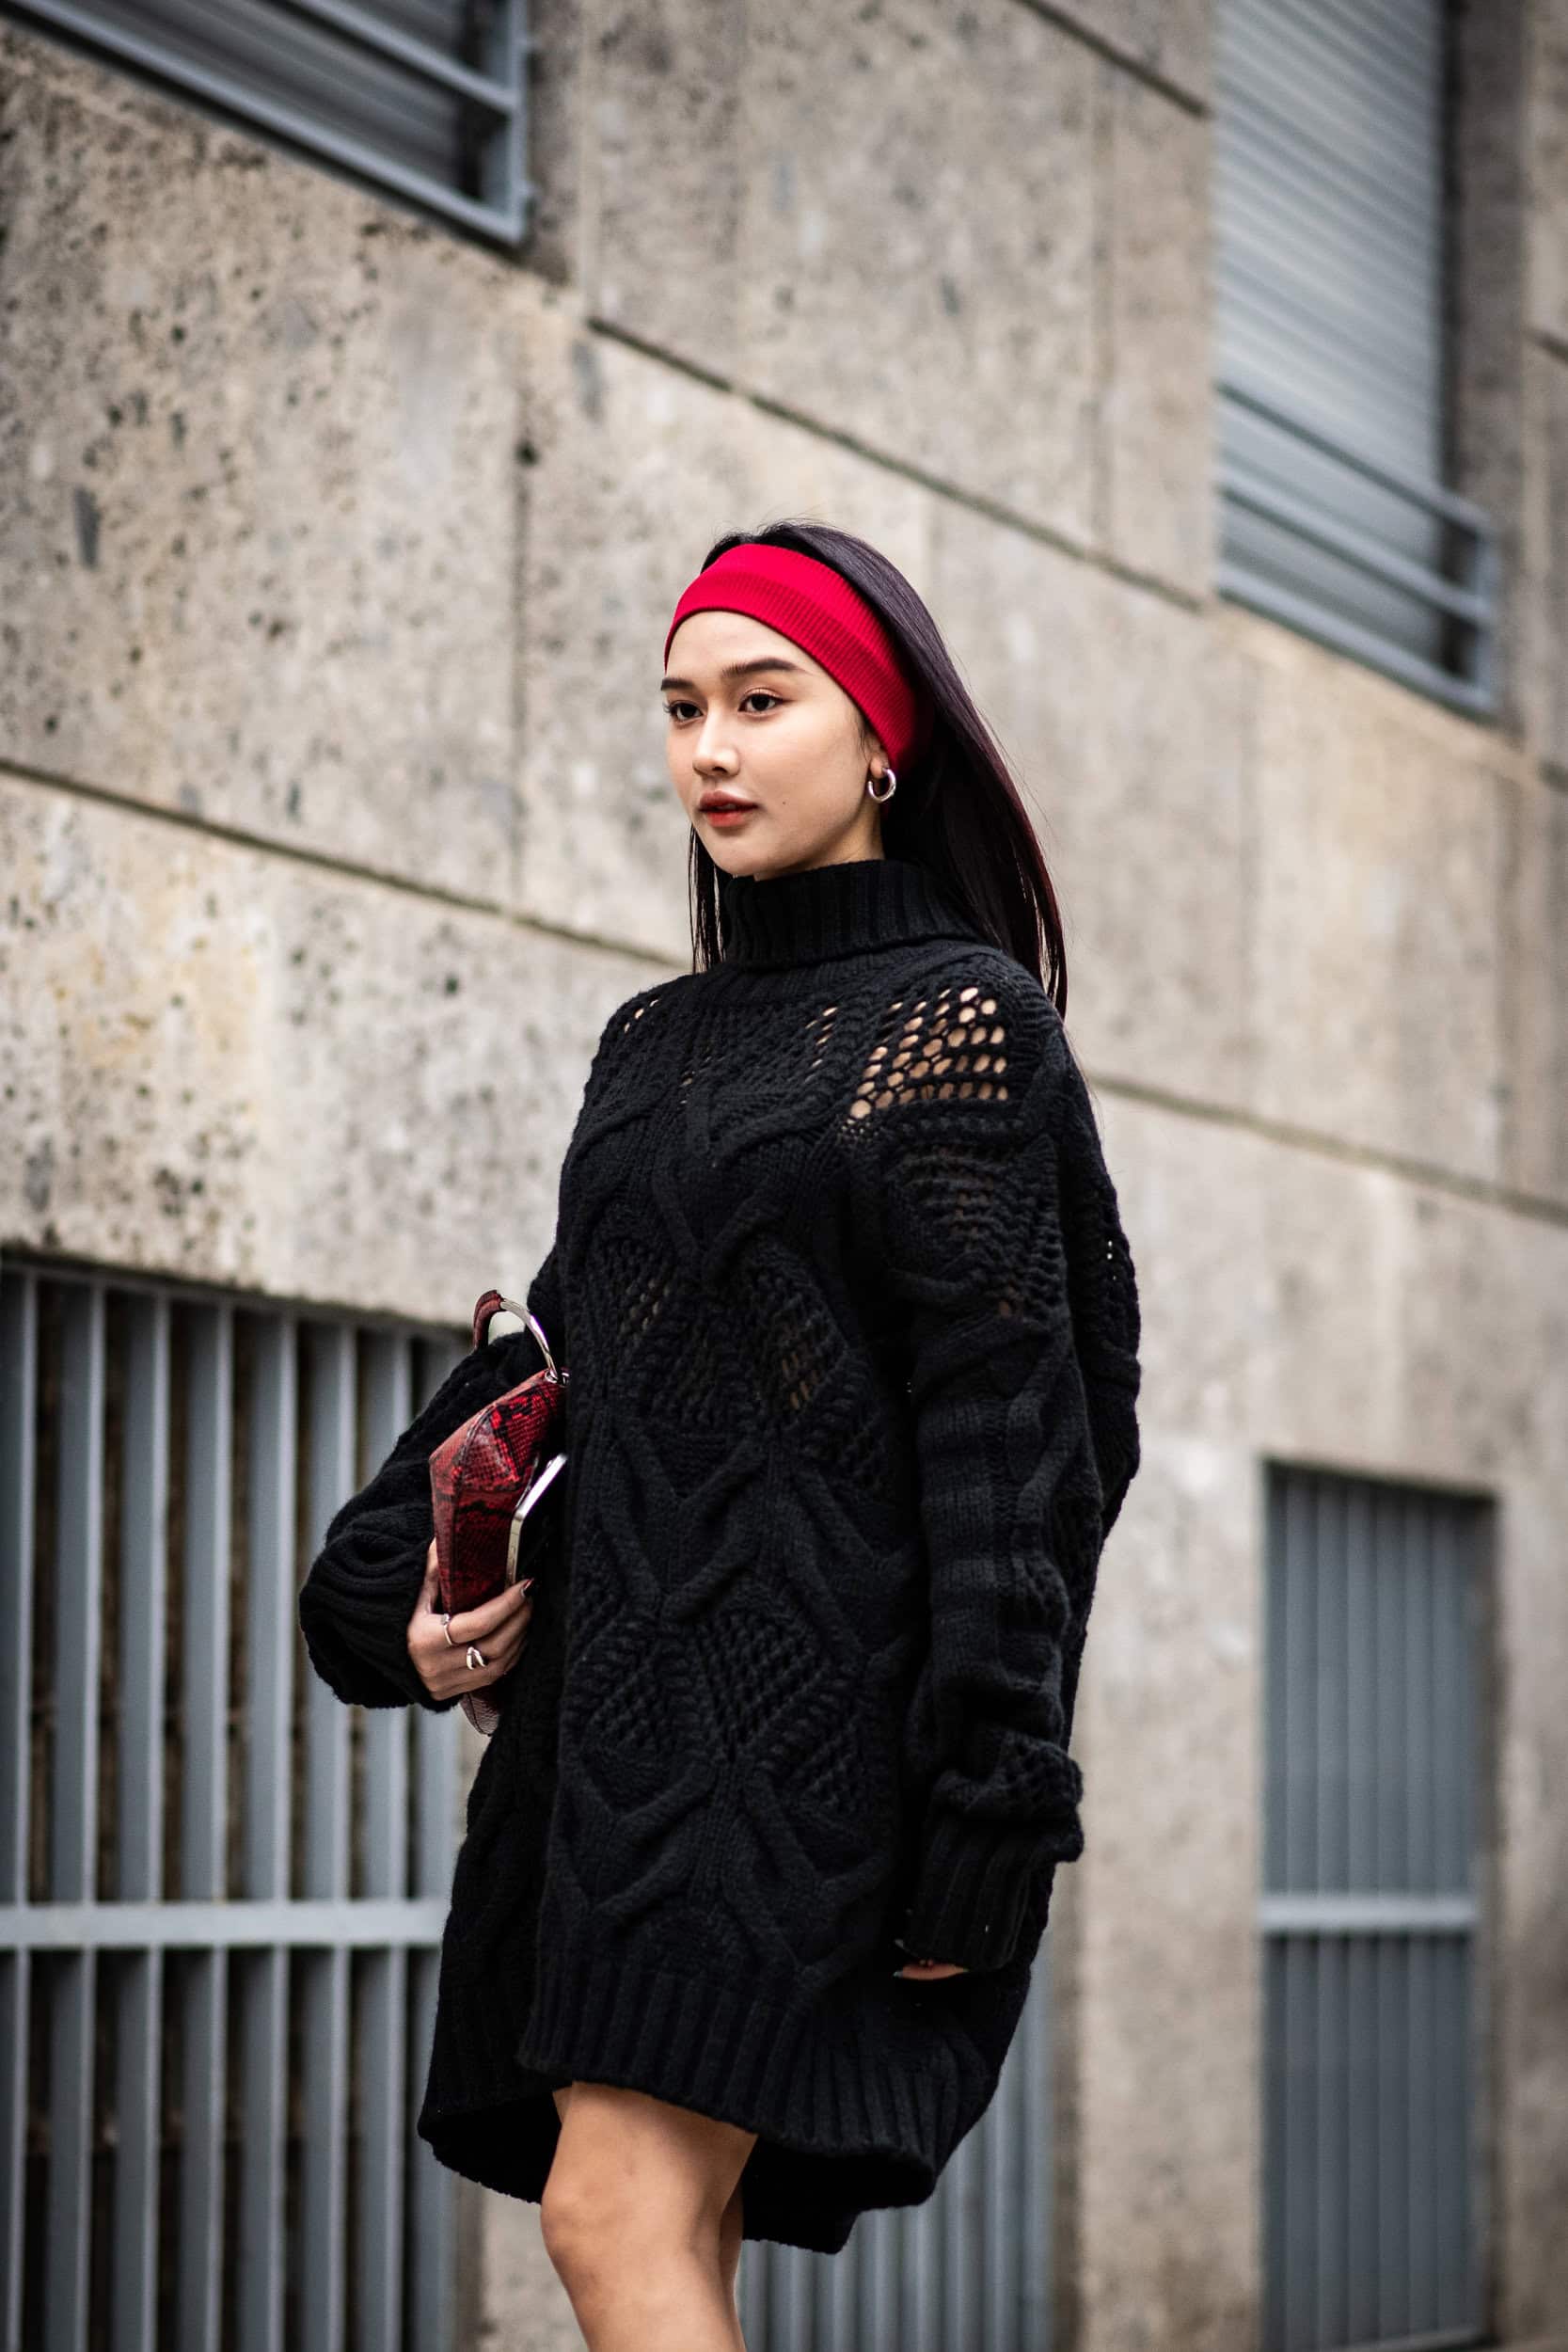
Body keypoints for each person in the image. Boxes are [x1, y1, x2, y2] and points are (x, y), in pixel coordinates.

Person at [298, 519, 1142, 2352]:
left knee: (611, 2212)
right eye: (682, 706)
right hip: (604, 1757)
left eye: (765, 700)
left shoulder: (956, 1028)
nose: (711, 748)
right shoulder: (652, 1043)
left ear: (883, 736)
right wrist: (383, 1598)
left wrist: (990, 1807)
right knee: (665, 2218)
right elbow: (560, 1357)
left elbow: (1021, 1456)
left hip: (806, 1760)